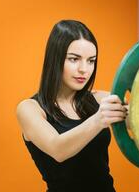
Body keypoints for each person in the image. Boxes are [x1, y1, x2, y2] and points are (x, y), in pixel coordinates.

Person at [16, 19, 128, 192]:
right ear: (55, 59)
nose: (84, 69)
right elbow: (58, 149)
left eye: (91, 61)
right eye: (74, 59)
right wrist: (99, 120)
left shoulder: (100, 99)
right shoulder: (30, 109)